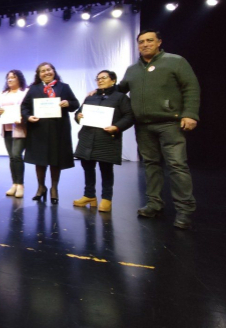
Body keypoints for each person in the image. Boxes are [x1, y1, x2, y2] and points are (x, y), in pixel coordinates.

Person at [120, 30, 200, 229]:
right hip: (143, 126)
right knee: (151, 165)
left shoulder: (175, 61)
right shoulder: (132, 70)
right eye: (141, 42)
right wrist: (99, 92)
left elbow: (191, 87)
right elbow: (120, 91)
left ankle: (184, 210)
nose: (145, 44)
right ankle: (154, 204)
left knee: (177, 165)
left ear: (159, 42)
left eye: (150, 40)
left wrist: (190, 114)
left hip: (170, 123)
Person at [73, 70, 134, 212]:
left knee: (106, 169)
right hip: (87, 138)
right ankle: (89, 195)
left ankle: (106, 198)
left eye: (104, 78)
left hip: (107, 138)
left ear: (113, 80)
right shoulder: (90, 97)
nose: (100, 80)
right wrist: (78, 116)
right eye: (98, 78)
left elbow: (129, 116)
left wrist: (117, 127)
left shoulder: (120, 97)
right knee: (87, 167)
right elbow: (78, 113)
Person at [21, 62, 79, 203]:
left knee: (55, 160)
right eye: (43, 71)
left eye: (49, 69)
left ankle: (54, 188)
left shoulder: (63, 87)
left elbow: (75, 104)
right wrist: (28, 117)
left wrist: (68, 104)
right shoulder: (33, 89)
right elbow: (24, 107)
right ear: (38, 75)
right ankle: (41, 187)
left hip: (58, 130)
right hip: (38, 130)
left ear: (54, 71)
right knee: (40, 161)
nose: (46, 72)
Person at [0, 70, 29, 198]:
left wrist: (22, 117)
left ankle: (20, 184)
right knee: (11, 157)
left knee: (17, 155)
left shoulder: (25, 92)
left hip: (20, 127)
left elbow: (28, 108)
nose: (10, 80)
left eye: (13, 77)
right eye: (8, 78)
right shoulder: (3, 93)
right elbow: (0, 109)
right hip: (7, 128)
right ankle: (14, 184)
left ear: (19, 79)